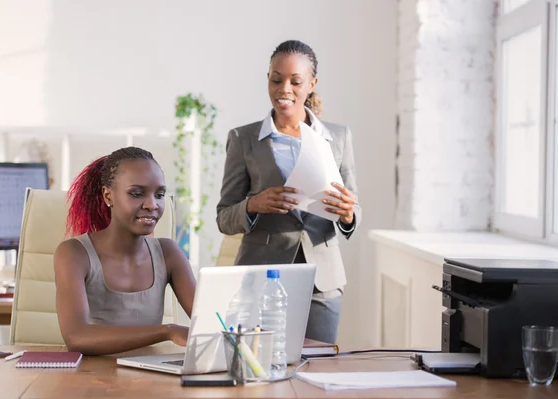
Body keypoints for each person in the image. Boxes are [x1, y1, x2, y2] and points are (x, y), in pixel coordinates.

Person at [216, 40, 361, 344]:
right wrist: (253, 205)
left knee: (318, 368)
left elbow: (353, 210)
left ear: (312, 84)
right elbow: (224, 218)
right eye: (276, 79)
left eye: (295, 81)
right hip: (260, 275)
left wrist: (348, 214)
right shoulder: (243, 139)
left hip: (323, 281)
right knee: (259, 369)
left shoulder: (338, 137)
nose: (284, 89)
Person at [54, 147, 196, 355]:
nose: (152, 204)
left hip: (148, 376)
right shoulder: (74, 253)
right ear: (108, 196)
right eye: (137, 194)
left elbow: (210, 320)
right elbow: (76, 338)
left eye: (160, 194)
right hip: (89, 380)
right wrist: (167, 331)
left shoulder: (168, 253)